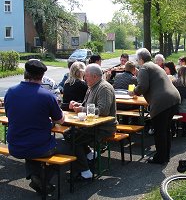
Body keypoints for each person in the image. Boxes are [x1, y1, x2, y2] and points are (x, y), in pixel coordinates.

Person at [4, 60, 87, 194]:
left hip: (14, 145)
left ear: (26, 73)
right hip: (38, 146)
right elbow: (60, 120)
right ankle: (43, 179)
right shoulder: (47, 96)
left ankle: (36, 176)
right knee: (70, 146)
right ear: (42, 77)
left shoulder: (10, 92)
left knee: (30, 148)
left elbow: (10, 114)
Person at [128, 48, 180, 164]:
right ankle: (165, 156)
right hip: (174, 99)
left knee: (160, 131)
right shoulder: (155, 66)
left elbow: (142, 87)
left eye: (137, 59)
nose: (137, 61)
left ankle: (160, 158)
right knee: (165, 130)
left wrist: (133, 92)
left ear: (141, 59)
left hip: (162, 102)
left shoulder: (144, 68)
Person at [69, 64, 118, 172]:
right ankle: (90, 156)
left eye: (86, 76)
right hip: (92, 125)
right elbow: (88, 105)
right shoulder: (92, 86)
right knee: (69, 134)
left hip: (104, 128)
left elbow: (103, 111)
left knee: (73, 138)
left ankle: (85, 171)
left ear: (95, 76)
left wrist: (81, 109)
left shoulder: (104, 88)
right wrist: (78, 104)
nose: (84, 78)